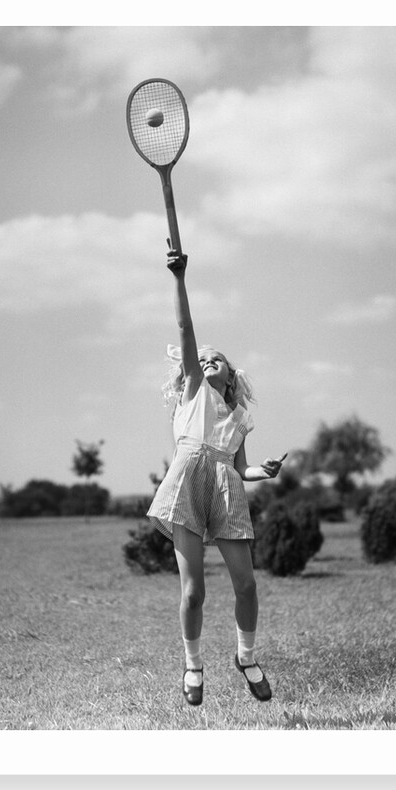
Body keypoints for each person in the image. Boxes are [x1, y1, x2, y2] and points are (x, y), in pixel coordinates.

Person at [147, 244, 287, 706]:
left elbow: (240, 466)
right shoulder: (192, 392)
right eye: (201, 359)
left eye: (216, 360)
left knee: (246, 585)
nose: (206, 361)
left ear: (230, 377)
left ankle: (246, 657)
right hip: (187, 485)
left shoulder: (239, 416)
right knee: (194, 592)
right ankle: (192, 665)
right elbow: (186, 330)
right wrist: (180, 279)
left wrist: (261, 471)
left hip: (226, 488)